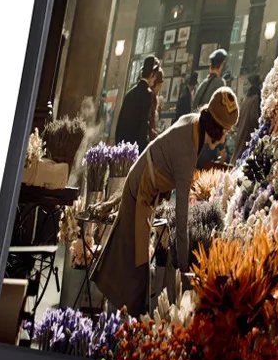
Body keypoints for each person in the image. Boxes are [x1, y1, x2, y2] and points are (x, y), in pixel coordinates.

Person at [93, 87, 240, 317]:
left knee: (130, 260)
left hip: (145, 187)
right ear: (218, 130)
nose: (225, 139)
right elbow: (181, 218)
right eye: (226, 133)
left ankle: (116, 318)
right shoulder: (188, 151)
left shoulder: (194, 123)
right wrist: (185, 268)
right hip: (141, 190)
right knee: (134, 264)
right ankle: (115, 323)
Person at [114, 56, 160, 153]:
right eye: (155, 76)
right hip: (135, 147)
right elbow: (144, 123)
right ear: (152, 74)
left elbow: (120, 123)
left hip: (122, 145)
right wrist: (145, 148)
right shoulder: (147, 94)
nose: (155, 79)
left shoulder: (130, 93)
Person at [231, 74, 262, 164]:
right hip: (248, 134)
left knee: (237, 156)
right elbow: (254, 118)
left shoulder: (246, 98)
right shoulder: (256, 98)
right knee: (242, 158)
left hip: (241, 132)